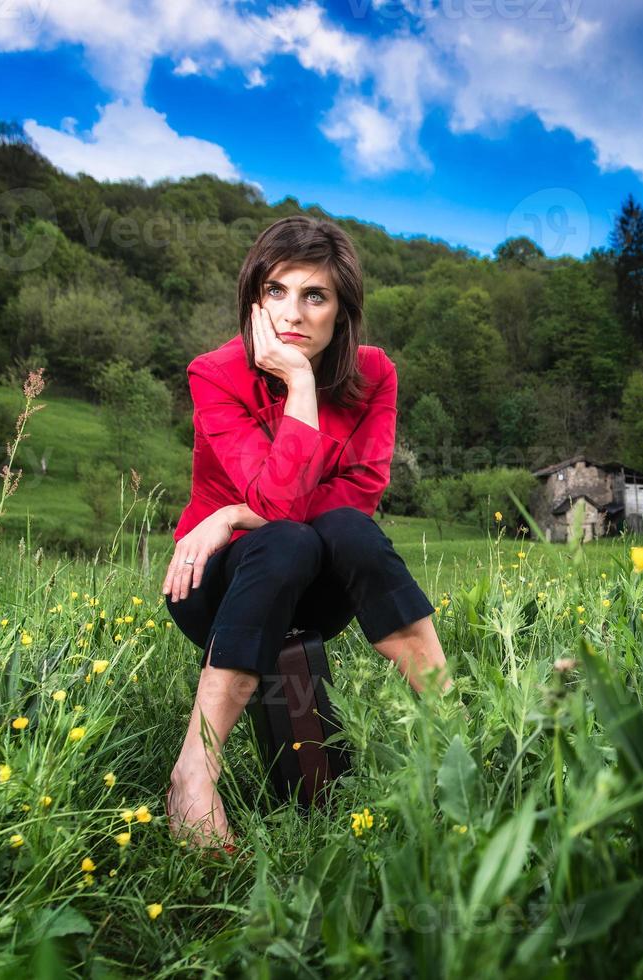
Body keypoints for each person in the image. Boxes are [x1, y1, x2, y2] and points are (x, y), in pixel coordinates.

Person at [162, 215, 451, 851]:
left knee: (346, 528)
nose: (293, 313)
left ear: (341, 311)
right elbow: (285, 510)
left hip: (315, 578)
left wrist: (235, 512)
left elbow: (356, 497)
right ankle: (193, 775)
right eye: (276, 291)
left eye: (314, 295)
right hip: (214, 584)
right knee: (287, 538)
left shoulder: (374, 374)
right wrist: (298, 385)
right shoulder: (213, 373)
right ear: (253, 300)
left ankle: (455, 730)